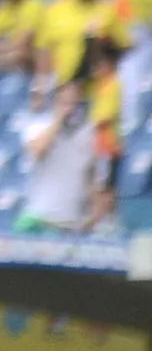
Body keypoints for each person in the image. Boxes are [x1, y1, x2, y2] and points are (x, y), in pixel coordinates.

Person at [16, 78, 107, 234]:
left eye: (74, 103)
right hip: (39, 217)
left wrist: (94, 216)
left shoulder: (89, 134)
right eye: (64, 103)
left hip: (70, 222)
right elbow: (37, 149)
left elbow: (93, 177)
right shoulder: (39, 125)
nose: (70, 109)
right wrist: (58, 119)